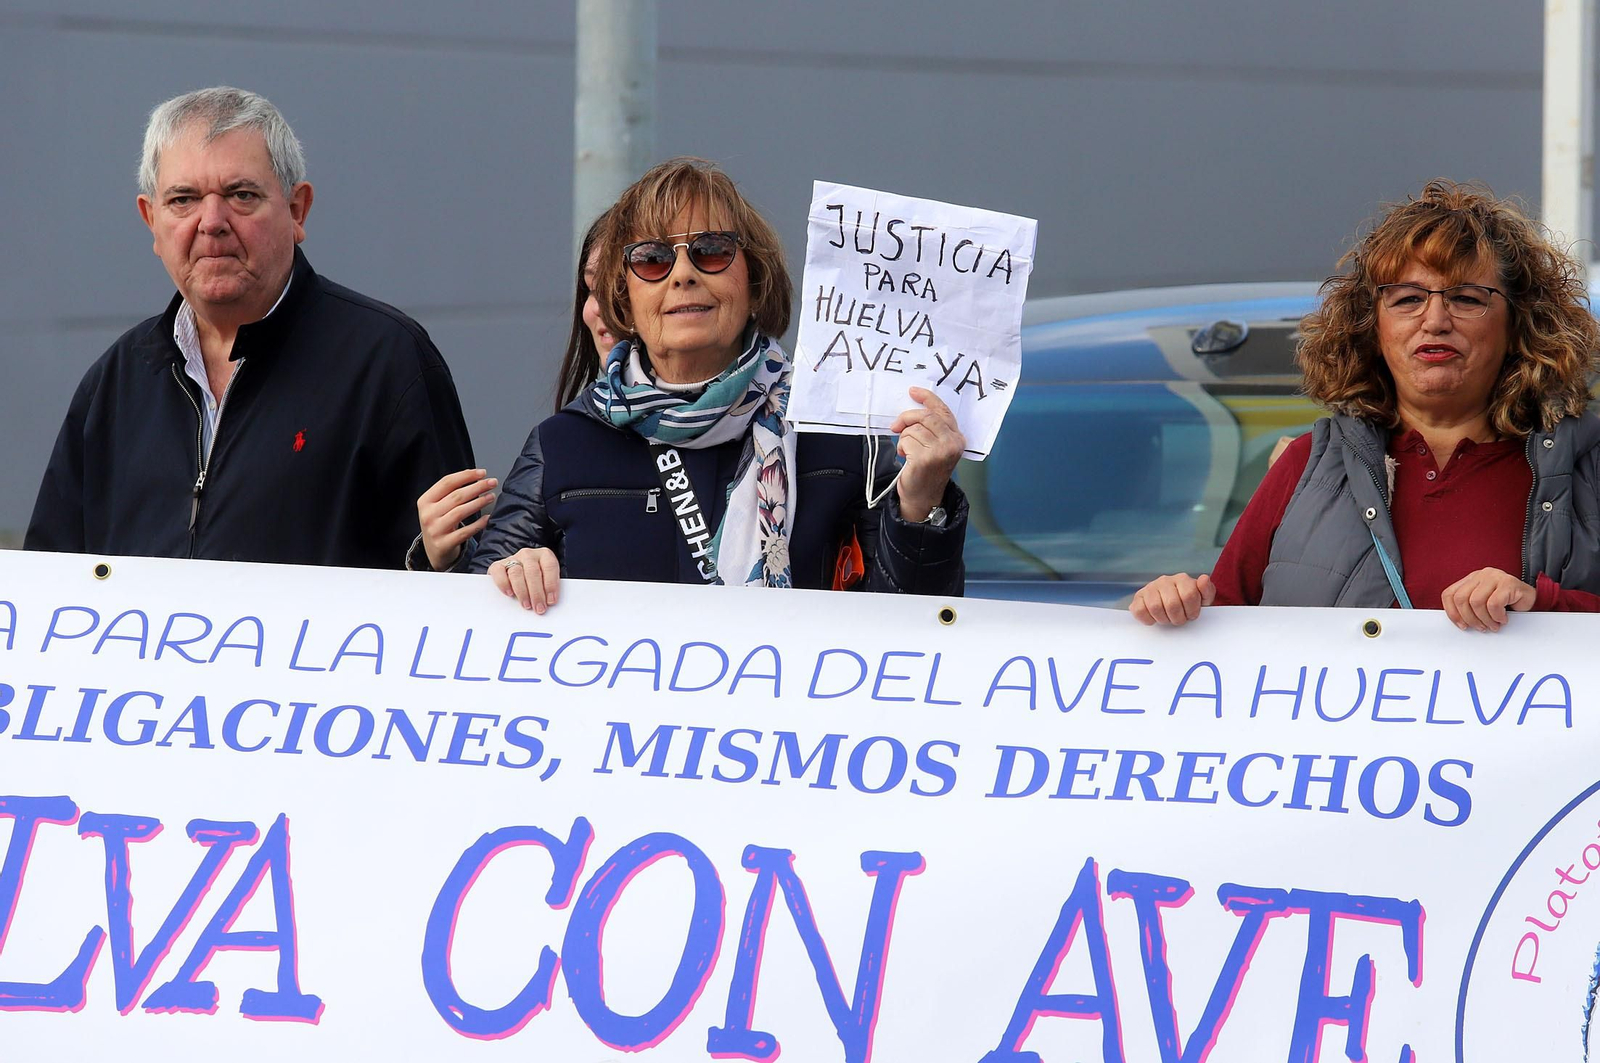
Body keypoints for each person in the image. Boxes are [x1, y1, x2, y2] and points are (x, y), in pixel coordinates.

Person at [412, 156, 968, 610]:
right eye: (652, 259)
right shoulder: (563, 444)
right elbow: (476, 636)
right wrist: (484, 571)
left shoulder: (840, 437)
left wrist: (922, 507)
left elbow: (912, 638)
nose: (683, 273)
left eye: (712, 250)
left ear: (755, 280)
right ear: (624, 300)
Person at [25, 86, 474, 568]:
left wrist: (433, 562)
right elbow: (46, 584)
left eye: (241, 195)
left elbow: (457, 569)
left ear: (297, 210)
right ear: (151, 220)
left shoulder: (387, 362)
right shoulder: (115, 384)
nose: (211, 222)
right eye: (183, 199)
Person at [1131, 179, 1600, 632]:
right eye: (1408, 299)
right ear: (1372, 327)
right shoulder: (1305, 466)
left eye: (1466, 298)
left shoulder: (1587, 468)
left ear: (1520, 324)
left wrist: (1544, 605)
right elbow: (1226, 623)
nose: (1435, 320)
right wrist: (1177, 608)